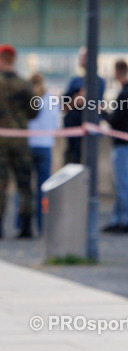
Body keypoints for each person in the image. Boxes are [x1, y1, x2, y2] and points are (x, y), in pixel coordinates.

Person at [0, 44, 38, 240]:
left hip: (0, 142)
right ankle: (26, 227)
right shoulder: (25, 85)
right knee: (24, 184)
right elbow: (34, 111)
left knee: (1, 185)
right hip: (20, 140)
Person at [101, 59, 128, 235]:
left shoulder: (124, 95)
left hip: (123, 145)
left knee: (123, 184)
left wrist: (102, 112)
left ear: (117, 72)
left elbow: (116, 121)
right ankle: (118, 219)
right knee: (121, 184)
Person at [27, 72, 59, 234]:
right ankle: (42, 226)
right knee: (44, 189)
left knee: (24, 188)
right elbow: (56, 123)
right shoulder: (51, 99)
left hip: (28, 145)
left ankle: (23, 225)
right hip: (45, 145)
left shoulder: (27, 98)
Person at [62, 46, 105, 165]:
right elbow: (64, 106)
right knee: (73, 159)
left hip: (88, 131)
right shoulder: (75, 81)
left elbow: (96, 104)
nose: (82, 59)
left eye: (85, 56)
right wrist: (75, 100)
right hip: (73, 130)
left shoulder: (98, 82)